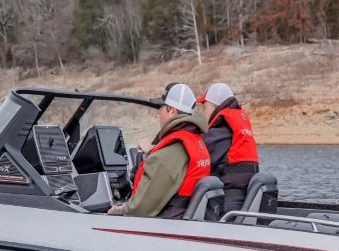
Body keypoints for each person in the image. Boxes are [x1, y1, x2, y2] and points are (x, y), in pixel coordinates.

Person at [107, 83, 212, 218]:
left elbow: (140, 210)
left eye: (161, 107)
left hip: (166, 225)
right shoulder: (196, 142)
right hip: (182, 221)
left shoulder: (170, 153)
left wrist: (117, 211)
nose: (158, 112)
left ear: (172, 110)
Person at [197, 82, 260, 214]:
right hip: (242, 199)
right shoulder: (238, 129)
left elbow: (195, 160)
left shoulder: (220, 132)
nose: (203, 113)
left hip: (225, 204)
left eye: (205, 107)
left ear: (215, 107)